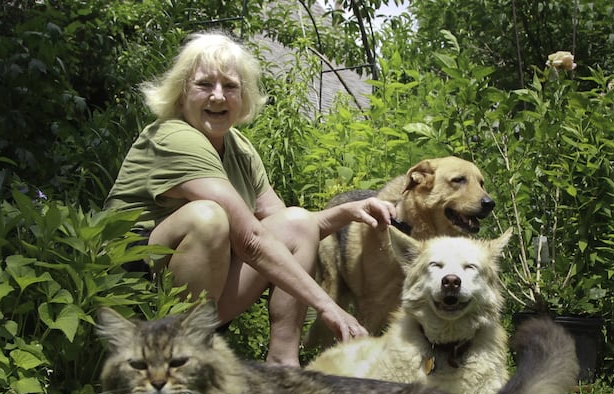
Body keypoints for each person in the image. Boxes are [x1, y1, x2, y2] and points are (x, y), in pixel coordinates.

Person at [104, 31, 396, 367]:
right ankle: (184, 363)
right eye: (204, 85)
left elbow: (288, 233)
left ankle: (284, 365)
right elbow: (251, 240)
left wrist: (347, 212)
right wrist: (327, 306)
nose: (218, 96)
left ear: (244, 96)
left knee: (297, 222)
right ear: (182, 93)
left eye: (230, 86)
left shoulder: (239, 147)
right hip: (131, 289)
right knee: (207, 218)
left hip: (196, 291)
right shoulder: (174, 137)